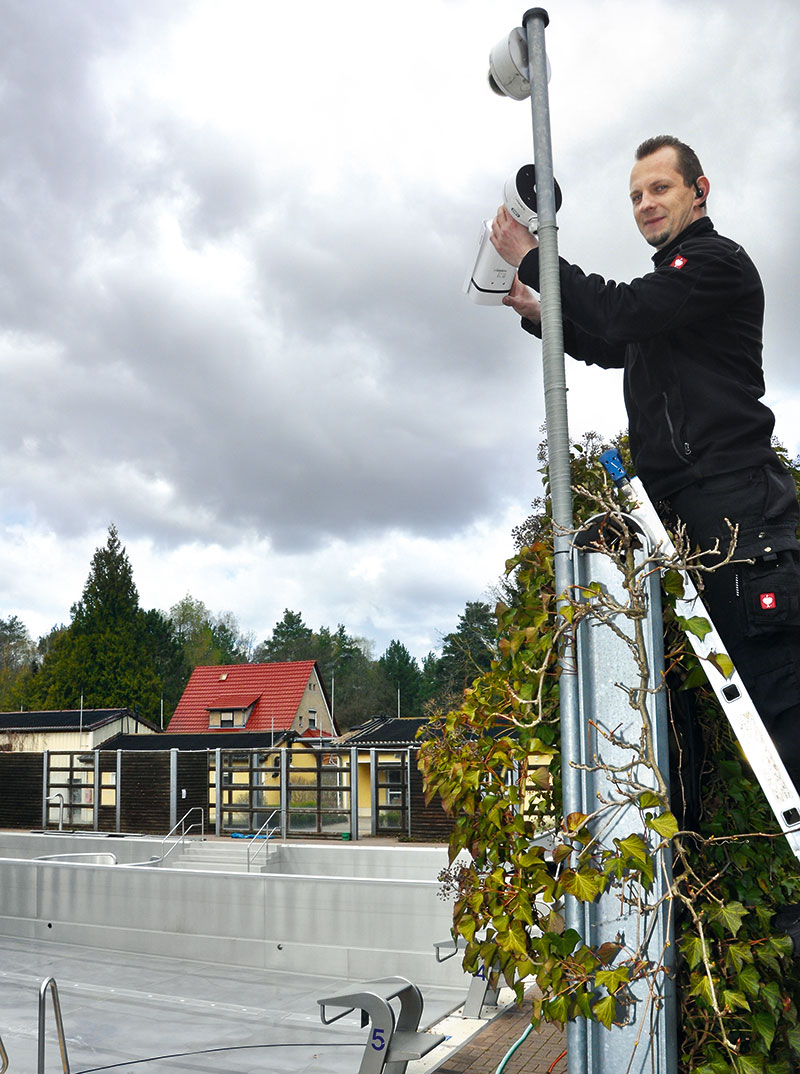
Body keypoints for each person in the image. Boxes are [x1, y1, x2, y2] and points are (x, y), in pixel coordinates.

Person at [490, 134, 800, 792]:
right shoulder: (674, 298)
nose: (646, 203)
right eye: (636, 195)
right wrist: (542, 314)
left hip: (737, 517)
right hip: (694, 520)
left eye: (660, 188)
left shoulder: (713, 264)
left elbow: (620, 310)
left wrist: (536, 255)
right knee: (723, 717)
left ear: (699, 190)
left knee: (783, 709)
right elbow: (612, 342)